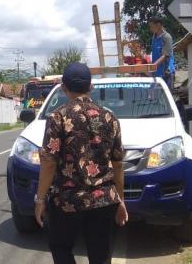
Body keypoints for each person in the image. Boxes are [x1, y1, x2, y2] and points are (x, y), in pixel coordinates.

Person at [34, 62, 128, 264]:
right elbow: (118, 164)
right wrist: (120, 200)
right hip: (104, 199)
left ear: (63, 87)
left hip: (67, 201)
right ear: (91, 87)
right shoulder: (110, 118)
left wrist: (40, 200)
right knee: (100, 255)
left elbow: (49, 162)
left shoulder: (57, 117)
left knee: (61, 247)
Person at [149, 17, 175, 89]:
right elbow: (154, 55)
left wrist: (152, 66)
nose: (150, 29)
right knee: (155, 96)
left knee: (166, 95)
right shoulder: (154, 38)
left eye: (152, 26)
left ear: (158, 25)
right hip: (156, 72)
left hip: (166, 73)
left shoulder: (167, 37)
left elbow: (165, 55)